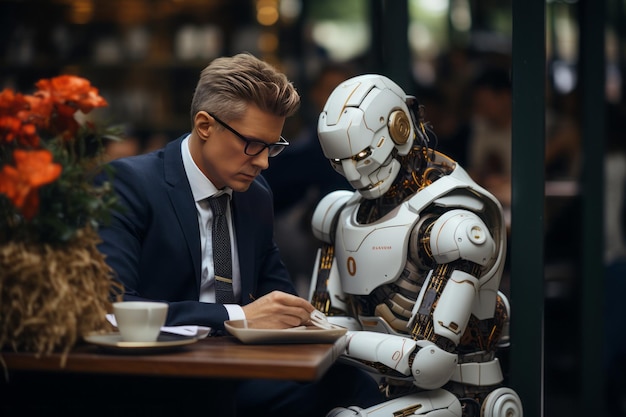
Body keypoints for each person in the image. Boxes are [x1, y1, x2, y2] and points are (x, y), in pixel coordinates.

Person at [95, 53, 382, 417]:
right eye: (253, 144)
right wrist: (238, 317)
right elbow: (113, 308)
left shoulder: (256, 196)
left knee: (351, 383)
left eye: (273, 146)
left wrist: (305, 319)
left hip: (239, 375)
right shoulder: (128, 185)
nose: (263, 162)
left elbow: (277, 296)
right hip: (157, 378)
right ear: (204, 125)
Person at [307, 74, 522, 416]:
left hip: (461, 395)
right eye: (338, 162)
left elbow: (430, 363)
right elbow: (322, 324)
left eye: (362, 156)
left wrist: (339, 340)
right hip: (370, 384)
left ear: (399, 128)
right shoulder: (338, 214)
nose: (353, 176)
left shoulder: (451, 223)